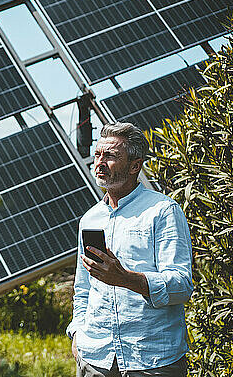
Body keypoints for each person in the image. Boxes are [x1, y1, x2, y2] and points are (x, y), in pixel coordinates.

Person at [67, 122, 193, 377]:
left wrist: (125, 279)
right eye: (97, 154)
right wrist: (78, 333)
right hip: (95, 358)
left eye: (111, 156)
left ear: (135, 165)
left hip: (151, 360)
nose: (99, 162)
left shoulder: (162, 211)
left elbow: (181, 285)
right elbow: (83, 289)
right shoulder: (90, 219)